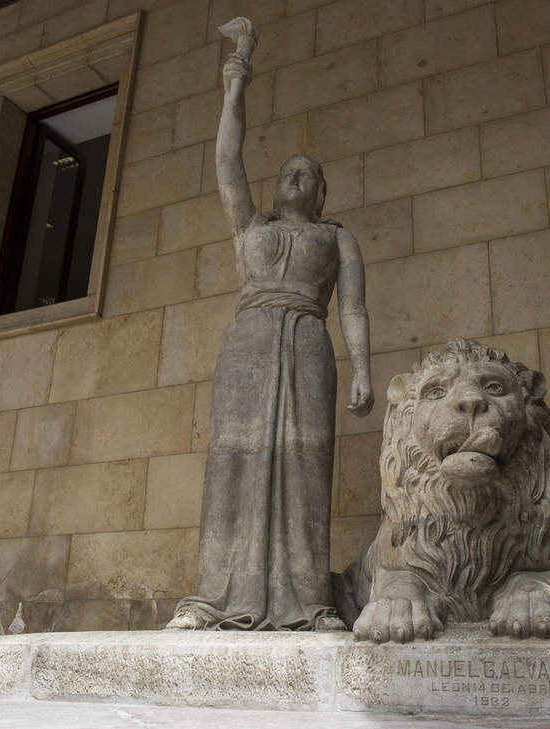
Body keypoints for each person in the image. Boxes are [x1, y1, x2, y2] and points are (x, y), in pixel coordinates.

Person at [167, 49, 373, 631]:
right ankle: (213, 597)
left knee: (306, 466)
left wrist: (362, 368)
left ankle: (308, 602)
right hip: (249, 344)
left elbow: (353, 306)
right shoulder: (249, 226)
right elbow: (226, 158)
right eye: (287, 170)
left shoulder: (337, 238)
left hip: (308, 340)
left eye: (306, 172)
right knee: (230, 461)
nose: (293, 176)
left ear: (320, 191)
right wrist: (235, 86)